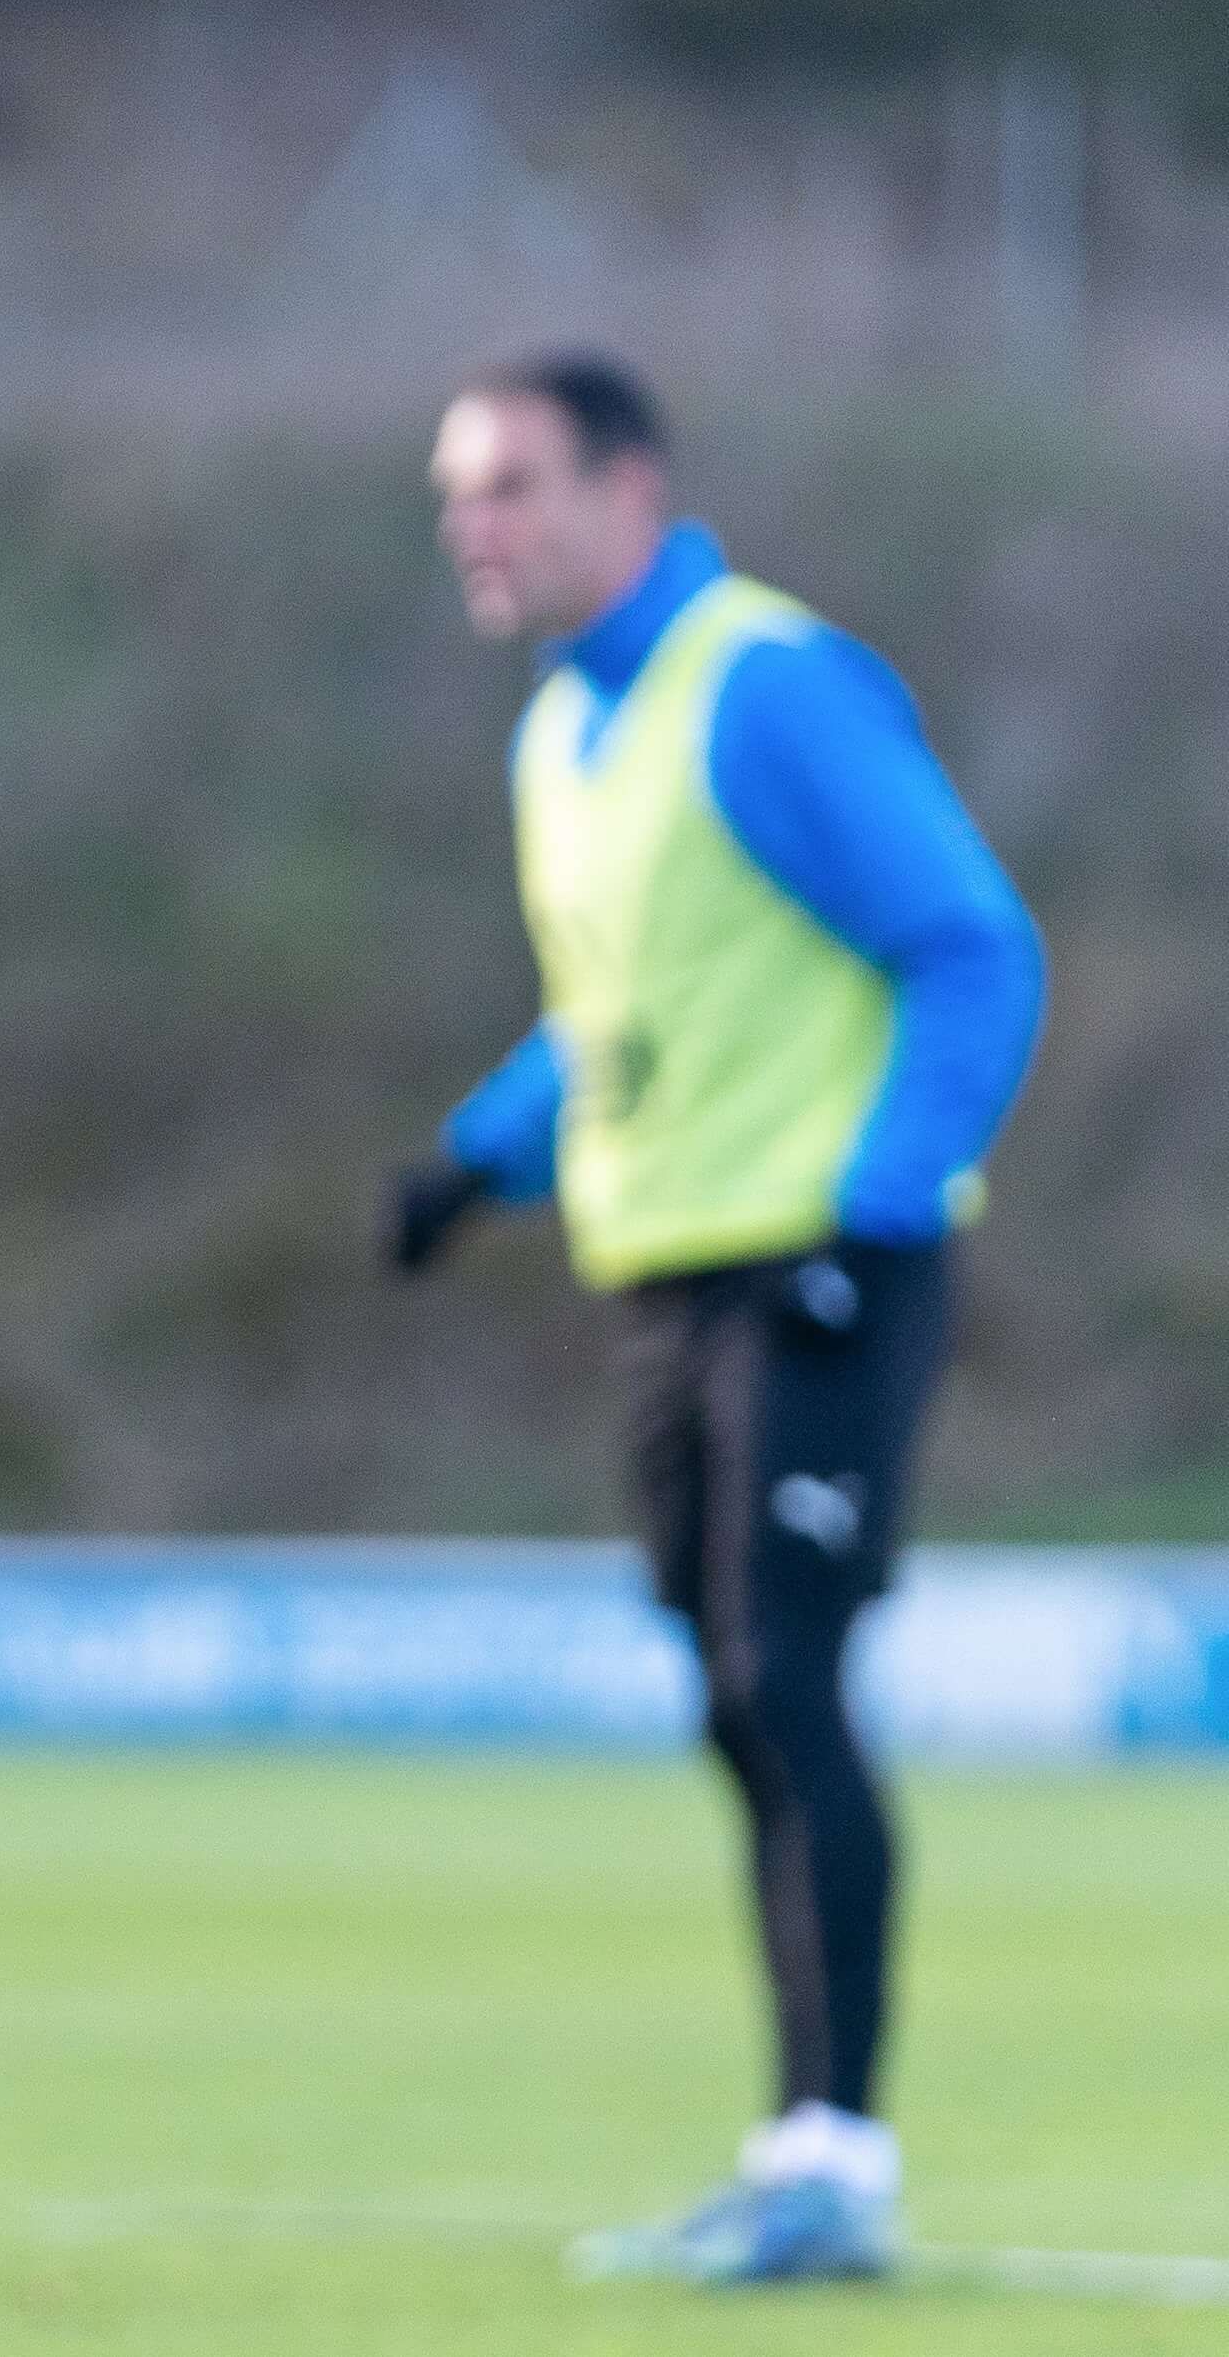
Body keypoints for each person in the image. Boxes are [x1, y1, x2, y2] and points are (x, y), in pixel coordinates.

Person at [389, 353, 1044, 2287]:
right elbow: (619, 1009)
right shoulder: (564, 733)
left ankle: (837, 2163)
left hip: (818, 1265)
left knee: (785, 1673)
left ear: (629, 487)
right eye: (455, 490)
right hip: (670, 1276)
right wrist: (472, 1156)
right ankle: (797, 2150)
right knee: (732, 1687)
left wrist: (880, 1207)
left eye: (510, 482)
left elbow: (971, 945)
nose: (472, 524)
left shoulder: (764, 683)